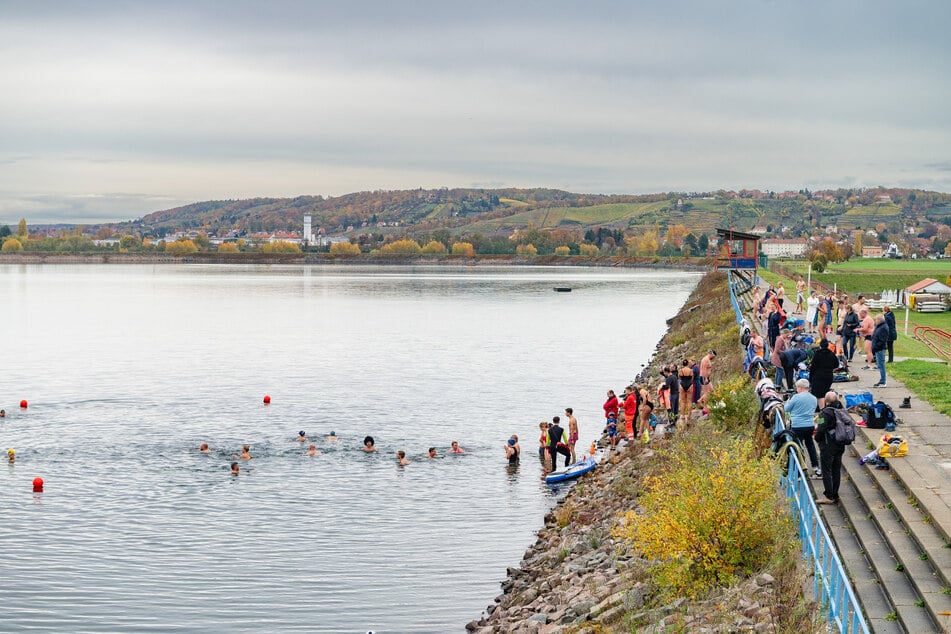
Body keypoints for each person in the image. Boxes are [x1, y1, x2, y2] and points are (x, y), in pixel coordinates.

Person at [816, 391, 847, 504]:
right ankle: (835, 493)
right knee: (836, 470)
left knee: (826, 470)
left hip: (827, 445)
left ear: (826, 401)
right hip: (840, 444)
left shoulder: (824, 413)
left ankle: (829, 495)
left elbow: (820, 429)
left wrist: (817, 439)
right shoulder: (842, 411)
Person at [785, 379, 820, 477]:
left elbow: (786, 409)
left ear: (800, 387)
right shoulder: (813, 398)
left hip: (797, 425)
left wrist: (788, 401)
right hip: (809, 425)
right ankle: (815, 465)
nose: (796, 389)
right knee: (810, 445)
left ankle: (800, 469)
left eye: (797, 387)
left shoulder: (796, 397)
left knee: (798, 447)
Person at [809, 339, 839, 408]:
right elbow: (836, 365)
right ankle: (824, 408)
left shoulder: (817, 354)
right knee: (825, 392)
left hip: (818, 376)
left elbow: (813, 367)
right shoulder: (832, 354)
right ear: (828, 345)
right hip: (828, 376)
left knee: (819, 395)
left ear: (820, 345)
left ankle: (822, 411)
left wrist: (810, 378)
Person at [871, 314, 889, 387]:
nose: (875, 321)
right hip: (877, 348)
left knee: (881, 365)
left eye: (876, 320)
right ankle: (882, 380)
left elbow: (882, 340)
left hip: (880, 349)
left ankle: (883, 381)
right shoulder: (879, 326)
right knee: (879, 365)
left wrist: (876, 347)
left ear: (879, 320)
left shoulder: (883, 328)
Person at [678, 359, 694, 424]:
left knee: (683, 401)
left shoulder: (680, 370)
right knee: (689, 401)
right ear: (687, 364)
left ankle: (683, 415)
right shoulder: (691, 370)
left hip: (682, 384)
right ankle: (689, 415)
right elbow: (692, 378)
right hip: (689, 384)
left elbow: (679, 378)